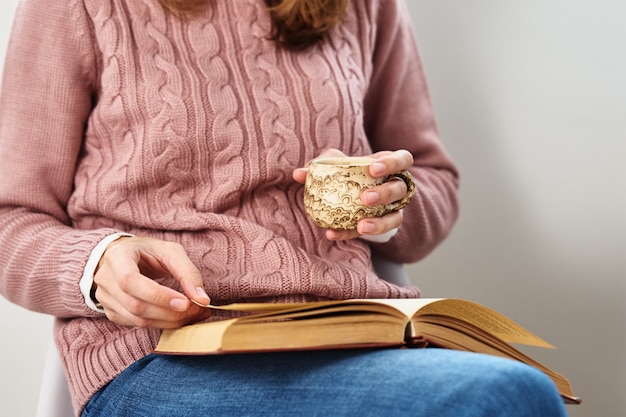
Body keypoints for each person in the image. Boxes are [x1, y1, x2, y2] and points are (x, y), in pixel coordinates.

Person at [0, 0, 568, 416]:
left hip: (350, 338)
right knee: (506, 397)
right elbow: (11, 218)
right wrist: (98, 264)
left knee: (512, 392)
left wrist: (390, 201)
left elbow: (435, 181)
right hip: (164, 355)